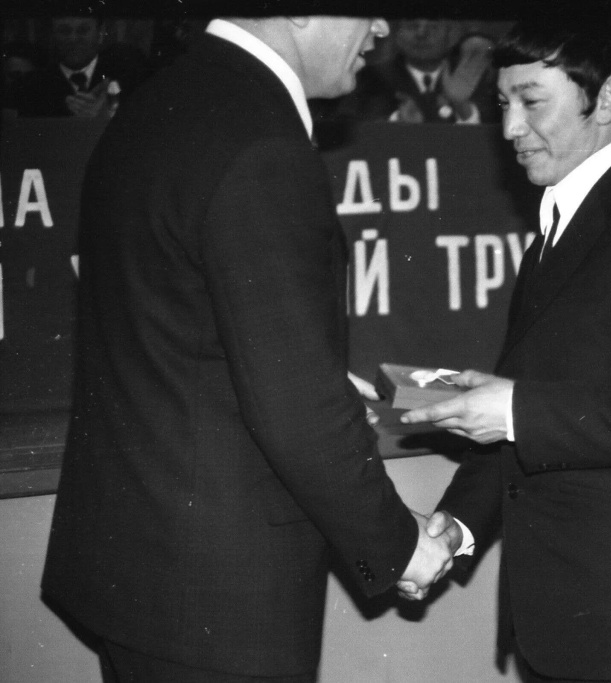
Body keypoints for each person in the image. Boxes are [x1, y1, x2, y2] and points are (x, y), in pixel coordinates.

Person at [41, 15, 456, 683]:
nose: (381, 25)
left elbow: (179, 325)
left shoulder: (159, 100)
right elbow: (296, 411)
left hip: (139, 572)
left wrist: (305, 367)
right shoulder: (263, 141)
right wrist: (400, 545)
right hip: (215, 600)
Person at [401, 17, 611, 683]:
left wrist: (515, 410)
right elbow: (524, 412)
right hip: (561, 628)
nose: (510, 128)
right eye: (502, 104)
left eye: (532, 102)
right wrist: (455, 528)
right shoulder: (555, 227)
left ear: (607, 98)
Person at [315, 18, 498, 125]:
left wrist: (462, 107)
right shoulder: (367, 78)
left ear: (450, 34)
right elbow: (345, 128)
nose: (421, 34)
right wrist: (396, 122)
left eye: (433, 27)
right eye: (412, 26)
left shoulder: (473, 77)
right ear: (397, 34)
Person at [14, 15, 147, 118]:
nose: (73, 39)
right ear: (53, 35)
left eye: (83, 30)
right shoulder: (32, 86)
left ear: (100, 33)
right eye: (64, 31)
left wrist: (107, 116)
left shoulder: (127, 76)